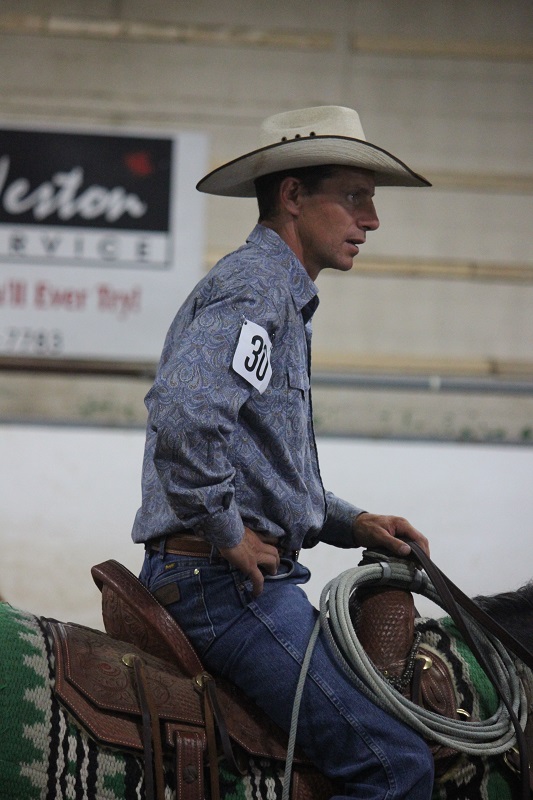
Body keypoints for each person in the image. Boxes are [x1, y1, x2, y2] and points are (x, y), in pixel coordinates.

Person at [133, 105, 434, 799]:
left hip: (225, 578)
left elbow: (257, 463)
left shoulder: (277, 296)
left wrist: (352, 524)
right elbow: (182, 413)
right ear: (293, 196)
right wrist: (225, 529)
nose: (372, 220)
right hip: (222, 588)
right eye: (354, 196)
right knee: (395, 766)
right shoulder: (258, 286)